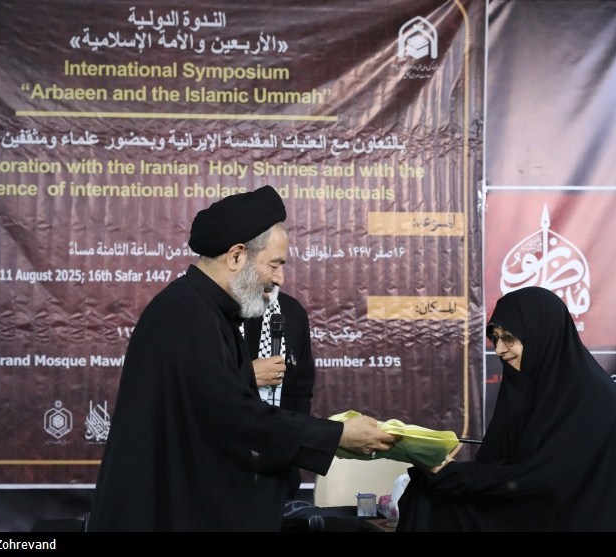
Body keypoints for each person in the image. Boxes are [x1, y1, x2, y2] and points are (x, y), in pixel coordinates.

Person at [87, 185, 396, 532]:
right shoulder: (186, 315)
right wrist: (336, 436)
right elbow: (235, 417)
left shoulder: (210, 311)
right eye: (274, 264)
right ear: (236, 256)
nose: (279, 279)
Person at [396, 286, 616, 532]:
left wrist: (452, 474)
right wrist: (445, 472)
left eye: (509, 338)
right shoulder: (528, 386)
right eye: (495, 338)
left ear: (540, 333)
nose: (500, 350)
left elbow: (548, 481)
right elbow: (501, 463)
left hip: (586, 519)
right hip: (541, 507)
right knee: (429, 494)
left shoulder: (590, 394)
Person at [243, 286, 316, 502]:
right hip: (226, 460)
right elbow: (199, 381)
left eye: (281, 269)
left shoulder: (292, 312)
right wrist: (248, 375)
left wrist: (291, 448)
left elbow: (302, 390)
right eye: (273, 268)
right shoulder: (219, 312)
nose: (278, 278)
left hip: (280, 461)